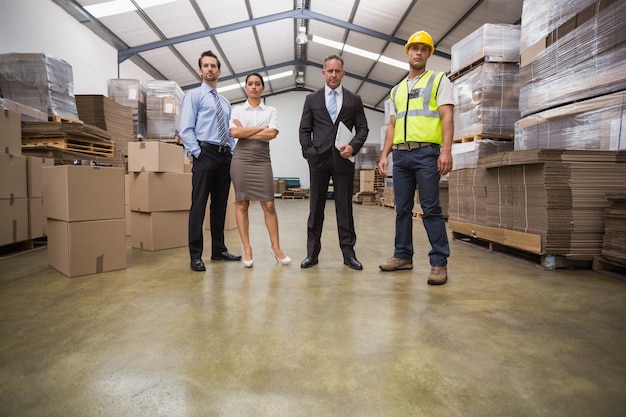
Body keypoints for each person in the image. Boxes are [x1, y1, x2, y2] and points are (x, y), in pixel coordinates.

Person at [377, 31, 453, 285]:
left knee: (431, 208)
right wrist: (384, 154)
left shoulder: (439, 80)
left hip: (427, 153)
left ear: (429, 54)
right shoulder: (397, 90)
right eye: (414, 48)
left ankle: (439, 263)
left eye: (423, 48)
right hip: (401, 156)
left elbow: (447, 117)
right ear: (407, 52)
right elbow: (391, 125)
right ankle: (402, 256)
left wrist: (446, 151)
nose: (418, 52)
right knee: (402, 209)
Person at [299, 54, 369, 270]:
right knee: (316, 208)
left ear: (343, 73)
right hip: (318, 161)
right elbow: (304, 129)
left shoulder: (353, 99)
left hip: (343, 160)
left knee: (344, 209)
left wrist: (353, 146)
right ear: (323, 72)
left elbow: (363, 128)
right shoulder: (312, 99)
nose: (333, 75)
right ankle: (312, 254)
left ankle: (349, 255)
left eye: (337, 71)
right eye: (329, 71)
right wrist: (310, 153)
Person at [180, 50, 241, 272]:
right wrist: (197, 153)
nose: (209, 69)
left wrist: (232, 154)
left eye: (213, 66)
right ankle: (195, 255)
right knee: (198, 205)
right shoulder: (194, 96)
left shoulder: (225, 102)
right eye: (205, 66)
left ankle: (218, 250)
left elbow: (230, 130)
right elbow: (185, 128)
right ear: (200, 70)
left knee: (219, 206)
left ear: (219, 70)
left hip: (225, 156)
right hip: (205, 154)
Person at [229, 72, 290, 268]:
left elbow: (271, 134)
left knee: (269, 205)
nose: (254, 87)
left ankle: (276, 247)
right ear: (246, 87)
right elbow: (234, 133)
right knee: (242, 204)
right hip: (241, 159)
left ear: (262, 87)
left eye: (257, 84)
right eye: (250, 84)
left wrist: (247, 131)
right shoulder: (237, 110)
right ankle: (247, 248)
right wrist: (259, 128)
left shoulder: (270, 110)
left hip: (262, 160)